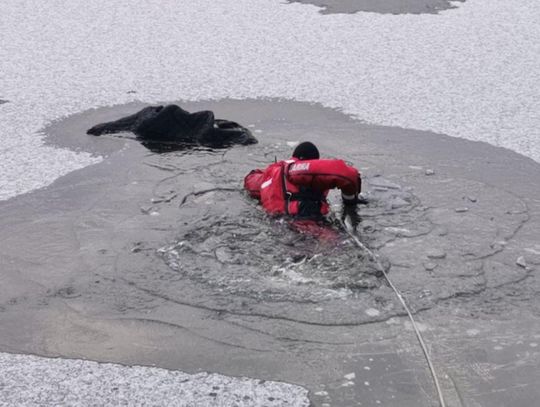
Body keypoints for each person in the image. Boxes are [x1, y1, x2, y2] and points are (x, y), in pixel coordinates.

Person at [244, 141, 363, 234]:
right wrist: (349, 201)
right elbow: (348, 175)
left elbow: (249, 181)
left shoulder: (268, 175)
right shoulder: (297, 170)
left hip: (276, 227)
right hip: (306, 227)